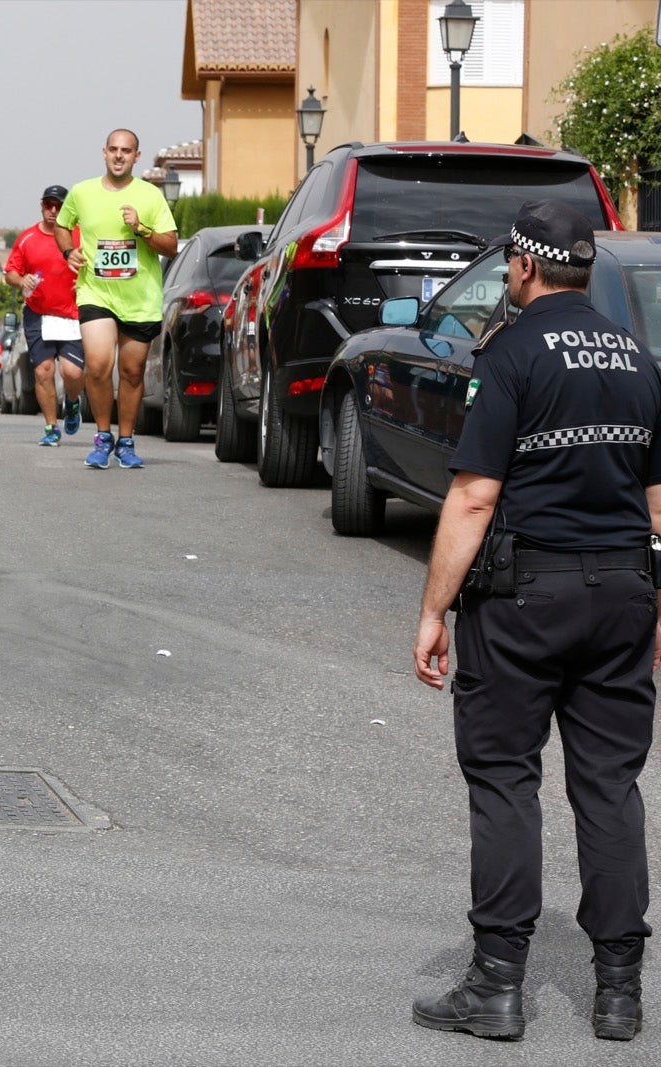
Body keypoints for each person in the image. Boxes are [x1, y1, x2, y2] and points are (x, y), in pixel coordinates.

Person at [411, 200, 661, 1043]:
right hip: (624, 591)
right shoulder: (635, 356)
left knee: (506, 777)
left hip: (524, 600)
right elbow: (658, 501)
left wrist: (434, 608)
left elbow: (475, 493)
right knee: (609, 784)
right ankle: (620, 992)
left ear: (522, 267)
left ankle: (497, 985)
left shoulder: (511, 352)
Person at [55, 129, 178, 468]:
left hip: (140, 297)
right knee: (97, 365)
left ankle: (126, 440)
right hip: (96, 291)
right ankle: (102, 436)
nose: (119, 155)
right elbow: (62, 226)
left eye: (127, 150)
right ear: (104, 153)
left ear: (137, 156)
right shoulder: (82, 192)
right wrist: (68, 251)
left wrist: (142, 229)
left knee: (132, 370)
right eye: (113, 149)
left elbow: (171, 245)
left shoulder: (151, 196)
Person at [7, 185, 85, 445]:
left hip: (71, 314)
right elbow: (10, 273)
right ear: (41, 205)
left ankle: (72, 402)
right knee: (43, 371)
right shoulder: (27, 237)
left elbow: (95, 267)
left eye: (59, 206)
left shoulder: (79, 235)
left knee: (72, 372)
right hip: (38, 314)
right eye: (48, 205)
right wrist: (22, 280)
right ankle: (51, 427)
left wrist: (85, 283)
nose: (53, 211)